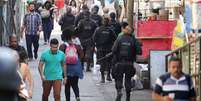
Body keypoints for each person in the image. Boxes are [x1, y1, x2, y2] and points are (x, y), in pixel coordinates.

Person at [112, 22, 137, 101]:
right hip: (129, 63)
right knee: (128, 80)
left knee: (119, 78)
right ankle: (128, 97)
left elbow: (113, 50)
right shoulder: (133, 40)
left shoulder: (119, 38)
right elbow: (139, 51)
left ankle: (119, 91)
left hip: (119, 63)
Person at [59, 31, 84, 101]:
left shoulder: (62, 46)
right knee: (75, 84)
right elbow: (82, 55)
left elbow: (59, 58)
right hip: (76, 68)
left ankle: (68, 99)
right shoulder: (76, 45)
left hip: (66, 69)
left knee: (67, 86)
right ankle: (77, 96)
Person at [93, 17, 116, 83]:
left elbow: (94, 39)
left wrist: (96, 46)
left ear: (103, 22)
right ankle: (108, 75)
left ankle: (103, 77)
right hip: (108, 49)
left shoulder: (98, 29)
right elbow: (115, 39)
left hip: (100, 49)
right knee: (109, 62)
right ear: (108, 22)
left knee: (102, 63)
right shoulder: (110, 30)